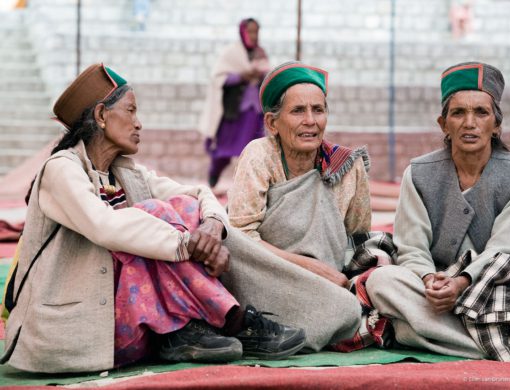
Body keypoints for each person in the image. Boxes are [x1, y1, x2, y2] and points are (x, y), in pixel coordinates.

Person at [1, 64, 306, 374]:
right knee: (153, 215)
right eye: (131, 111)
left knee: (185, 208)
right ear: (102, 116)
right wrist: (189, 245)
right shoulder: (60, 169)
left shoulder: (124, 171)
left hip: (132, 323)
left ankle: (180, 330)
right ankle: (233, 321)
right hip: (81, 331)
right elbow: (105, 226)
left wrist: (213, 225)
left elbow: (196, 194)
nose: (139, 123)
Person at [365, 61, 510, 361]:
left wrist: (462, 283)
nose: (470, 123)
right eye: (458, 113)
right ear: (444, 124)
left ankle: (420, 334)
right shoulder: (418, 174)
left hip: (501, 291)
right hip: (437, 293)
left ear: (496, 125)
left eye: (481, 113)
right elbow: (412, 247)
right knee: (382, 280)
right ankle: (504, 344)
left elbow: (506, 251)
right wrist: (430, 280)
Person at [225, 61, 377, 350]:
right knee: (345, 310)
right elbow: (241, 238)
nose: (311, 121)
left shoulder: (347, 166)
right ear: (272, 123)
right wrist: (314, 270)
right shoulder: (259, 156)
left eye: (318, 110)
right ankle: (268, 326)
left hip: (327, 285)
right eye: (298, 111)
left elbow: (359, 239)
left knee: (369, 294)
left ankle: (291, 330)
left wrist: (360, 278)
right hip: (267, 275)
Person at [199, 18, 269, 188]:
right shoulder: (231, 53)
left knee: (254, 151)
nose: (254, 35)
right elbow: (219, 77)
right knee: (224, 150)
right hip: (234, 112)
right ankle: (214, 174)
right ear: (243, 32)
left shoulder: (260, 53)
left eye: (256, 31)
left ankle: (248, 187)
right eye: (250, 31)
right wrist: (240, 76)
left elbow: (267, 74)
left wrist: (260, 74)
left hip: (255, 113)